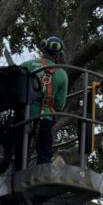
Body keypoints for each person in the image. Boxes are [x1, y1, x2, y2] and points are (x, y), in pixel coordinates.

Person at [24, 36, 68, 165]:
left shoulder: (27, 65)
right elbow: (59, 105)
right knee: (44, 151)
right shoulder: (62, 74)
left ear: (44, 49)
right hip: (45, 117)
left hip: (24, 115)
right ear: (58, 55)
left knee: (20, 149)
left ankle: (17, 171)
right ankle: (42, 171)